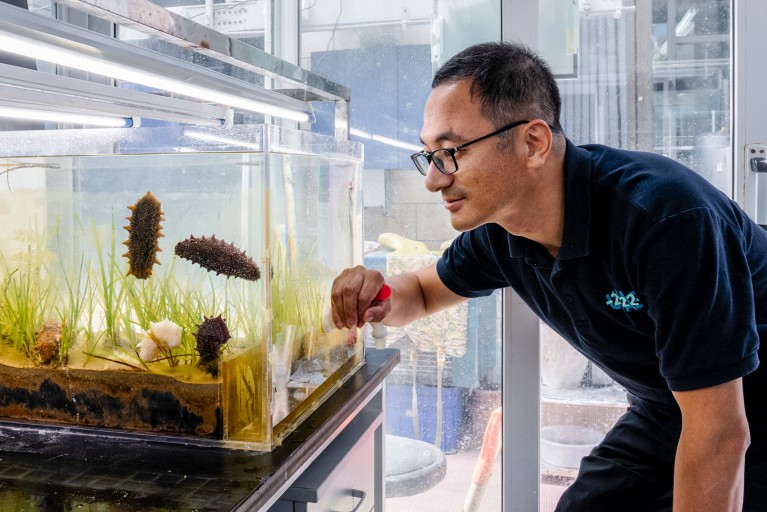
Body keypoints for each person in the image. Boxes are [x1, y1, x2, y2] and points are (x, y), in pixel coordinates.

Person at [329, 40, 767, 512]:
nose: (434, 180)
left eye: (450, 152)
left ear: (533, 143)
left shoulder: (665, 221)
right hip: (670, 408)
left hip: (738, 404)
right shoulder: (503, 233)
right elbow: (420, 292)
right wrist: (379, 296)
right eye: (429, 156)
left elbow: (720, 431)